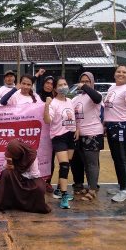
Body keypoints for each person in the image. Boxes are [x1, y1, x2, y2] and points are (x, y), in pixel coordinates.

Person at [103, 65, 126, 202]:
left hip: (122, 126)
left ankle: (125, 190)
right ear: (114, 74)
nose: (121, 74)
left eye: (124, 72)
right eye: (118, 71)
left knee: (122, 158)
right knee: (116, 158)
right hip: (111, 126)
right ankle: (121, 186)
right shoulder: (112, 88)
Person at [44, 77, 76, 209]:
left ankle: (58, 189)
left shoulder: (70, 101)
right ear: (55, 89)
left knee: (67, 164)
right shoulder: (53, 103)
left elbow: (73, 118)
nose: (63, 87)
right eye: (60, 85)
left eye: (65, 84)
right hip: (59, 137)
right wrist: (47, 105)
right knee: (64, 165)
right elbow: (47, 120)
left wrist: (76, 129)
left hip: (70, 136)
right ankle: (64, 195)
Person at [71, 72, 103, 202]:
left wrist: (84, 87)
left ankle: (93, 189)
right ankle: (90, 186)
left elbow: (97, 98)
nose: (84, 83)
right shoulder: (76, 99)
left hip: (92, 133)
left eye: (87, 81)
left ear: (92, 82)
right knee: (84, 163)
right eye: (82, 81)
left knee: (92, 164)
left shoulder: (96, 95)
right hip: (80, 134)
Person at [0, 139, 50, 214]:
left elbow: (35, 174)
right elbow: (3, 169)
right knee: (6, 173)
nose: (7, 153)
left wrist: (17, 170)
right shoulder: (11, 154)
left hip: (30, 179)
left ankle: (32, 206)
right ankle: (6, 203)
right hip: (17, 178)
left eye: (11, 153)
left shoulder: (31, 157)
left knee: (39, 188)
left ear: (17, 154)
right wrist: (7, 166)